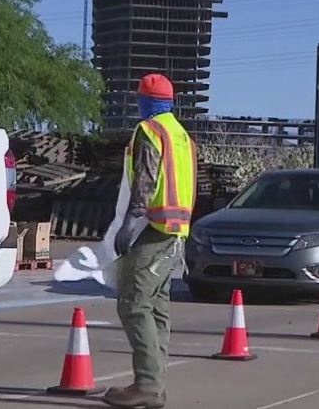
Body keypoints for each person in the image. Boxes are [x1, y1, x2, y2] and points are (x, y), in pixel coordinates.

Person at [102, 73, 197, 409]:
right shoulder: (181, 135)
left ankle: (148, 384)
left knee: (133, 302)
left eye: (139, 98)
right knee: (157, 306)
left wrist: (129, 222)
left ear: (145, 101)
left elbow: (145, 177)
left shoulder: (151, 131)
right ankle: (155, 384)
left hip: (153, 228)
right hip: (177, 230)